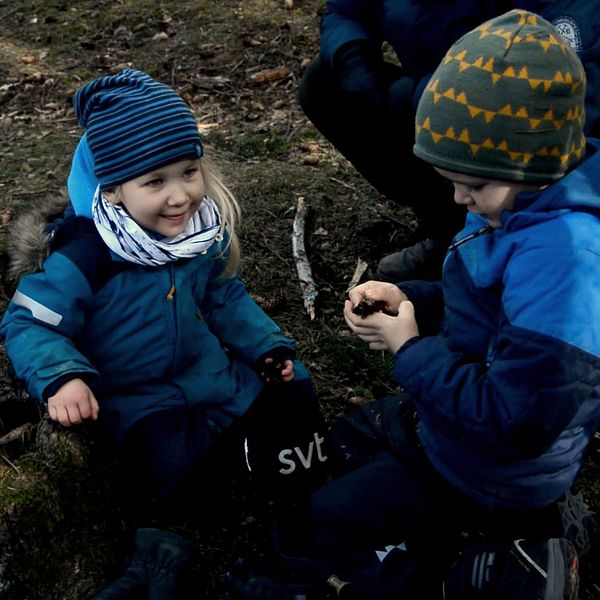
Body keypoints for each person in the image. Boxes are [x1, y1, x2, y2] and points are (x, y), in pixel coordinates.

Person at [226, 9, 600, 599]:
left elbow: (516, 422)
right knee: (346, 438)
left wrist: (411, 349)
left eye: (471, 186)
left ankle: (493, 554)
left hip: (490, 471)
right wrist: (414, 300)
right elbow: (485, 306)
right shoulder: (519, 207)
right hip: (454, 429)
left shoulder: (566, 265)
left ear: (527, 160)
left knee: (306, 530)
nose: (457, 198)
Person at [0, 68, 329, 599]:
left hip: (211, 375)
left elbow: (224, 296)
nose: (180, 196)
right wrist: (61, 378)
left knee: (293, 396)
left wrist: (267, 348)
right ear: (114, 190)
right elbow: (28, 322)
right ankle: (214, 493)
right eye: (155, 182)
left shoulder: (199, 236)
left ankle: (280, 480)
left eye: (188, 172)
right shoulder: (83, 255)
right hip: (139, 398)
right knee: (173, 467)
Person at [299, 0, 600, 282]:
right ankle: (452, 232)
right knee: (325, 84)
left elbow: (572, 103)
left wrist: (417, 95)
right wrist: (354, 60)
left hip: (509, 120)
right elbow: (344, 10)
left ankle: (513, 245)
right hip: (438, 105)